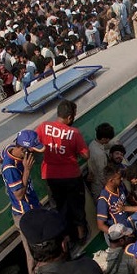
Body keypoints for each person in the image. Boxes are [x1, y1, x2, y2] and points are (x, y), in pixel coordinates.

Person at [36, 100, 89, 243]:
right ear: (70, 117)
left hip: (50, 176)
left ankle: (64, 242)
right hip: (71, 177)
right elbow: (86, 155)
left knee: (57, 211)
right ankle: (81, 238)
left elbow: (33, 143)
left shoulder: (43, 127)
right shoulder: (74, 133)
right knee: (77, 209)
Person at [0, 129, 46, 274]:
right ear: (23, 149)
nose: (33, 154)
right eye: (31, 151)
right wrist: (26, 170)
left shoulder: (9, 149)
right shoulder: (11, 168)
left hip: (33, 206)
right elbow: (19, 195)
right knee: (33, 250)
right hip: (25, 212)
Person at [96, 163, 130, 236]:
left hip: (130, 226)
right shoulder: (103, 199)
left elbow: (129, 198)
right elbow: (100, 225)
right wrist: (116, 235)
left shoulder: (121, 186)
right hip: (121, 234)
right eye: (119, 178)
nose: (121, 179)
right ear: (111, 181)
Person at [87, 122, 115, 199]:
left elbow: (105, 146)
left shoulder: (93, 144)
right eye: (108, 139)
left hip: (96, 184)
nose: (109, 141)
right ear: (103, 139)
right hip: (99, 187)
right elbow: (102, 174)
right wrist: (110, 188)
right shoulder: (99, 155)